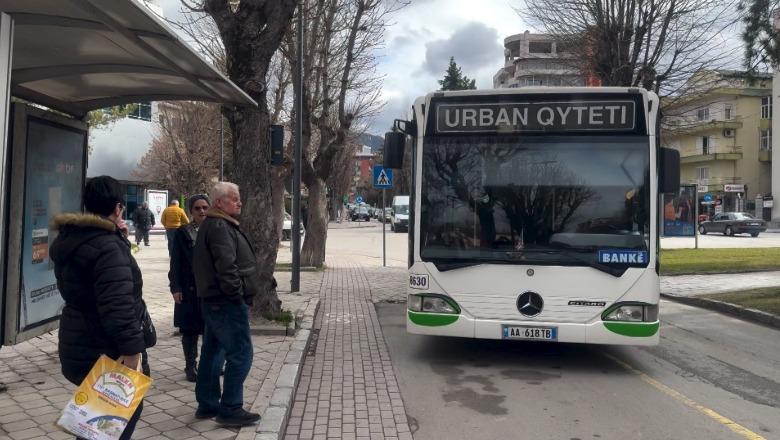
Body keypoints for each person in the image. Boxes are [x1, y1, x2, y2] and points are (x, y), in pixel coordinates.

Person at [50, 176, 151, 440]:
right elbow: (118, 306)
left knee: (93, 422)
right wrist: (132, 352)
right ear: (118, 208)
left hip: (78, 339)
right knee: (113, 420)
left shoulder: (74, 238)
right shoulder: (107, 248)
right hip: (105, 348)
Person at [193, 181, 261, 427]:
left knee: (213, 352)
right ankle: (231, 408)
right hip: (225, 303)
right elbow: (227, 268)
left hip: (215, 301)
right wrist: (238, 296)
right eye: (234, 198)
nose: (239, 202)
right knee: (241, 353)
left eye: (239, 197)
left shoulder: (216, 224)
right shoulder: (219, 226)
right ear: (219, 202)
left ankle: (208, 403)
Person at [168, 194, 220, 382]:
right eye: (197, 208)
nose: (202, 211)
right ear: (191, 211)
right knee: (189, 330)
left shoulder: (216, 230)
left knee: (211, 329)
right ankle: (191, 366)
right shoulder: (183, 232)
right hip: (189, 289)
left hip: (210, 289)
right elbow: (176, 262)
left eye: (205, 207)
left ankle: (211, 363)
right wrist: (175, 287)